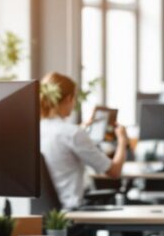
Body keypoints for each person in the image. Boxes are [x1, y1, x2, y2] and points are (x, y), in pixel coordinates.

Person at [39, 72, 128, 209]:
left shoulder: (36, 129)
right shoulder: (73, 133)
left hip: (45, 215)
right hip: (72, 213)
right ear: (69, 99)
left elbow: (62, 138)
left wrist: (81, 128)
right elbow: (114, 171)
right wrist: (122, 140)